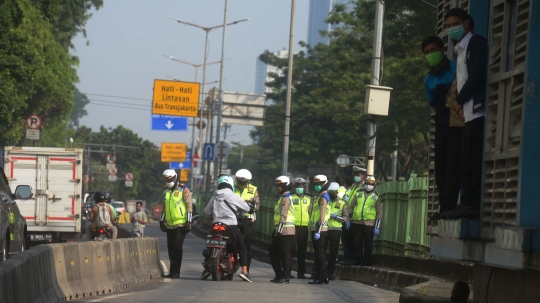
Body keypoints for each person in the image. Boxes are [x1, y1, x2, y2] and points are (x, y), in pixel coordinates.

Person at [444, 8, 487, 220]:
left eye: (454, 24)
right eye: (448, 26)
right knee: (466, 160)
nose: (451, 29)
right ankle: (467, 202)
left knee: (473, 160)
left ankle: (473, 203)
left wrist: (460, 101)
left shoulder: (475, 43)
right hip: (467, 113)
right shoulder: (459, 50)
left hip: (477, 111)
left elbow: (477, 75)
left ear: (467, 24)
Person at [422, 35, 463, 220]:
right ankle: (444, 207)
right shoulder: (428, 80)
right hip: (441, 123)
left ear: (443, 50)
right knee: (440, 167)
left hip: (458, 122)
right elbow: (435, 103)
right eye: (427, 53)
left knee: (455, 163)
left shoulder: (456, 67)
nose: (431, 55)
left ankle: (451, 206)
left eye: (433, 50)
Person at [202, 174, 252, 282]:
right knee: (242, 247)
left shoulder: (214, 196)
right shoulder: (232, 196)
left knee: (210, 245)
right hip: (231, 226)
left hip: (216, 225)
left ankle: (207, 268)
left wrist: (213, 216)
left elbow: (207, 212)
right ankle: (245, 272)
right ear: (230, 184)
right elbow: (246, 208)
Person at [162, 169, 193, 278]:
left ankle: (176, 271)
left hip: (181, 223)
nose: (168, 180)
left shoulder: (183, 189)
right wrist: (162, 220)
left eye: (169, 178)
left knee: (177, 247)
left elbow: (189, 206)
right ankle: (172, 271)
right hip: (170, 224)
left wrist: (189, 222)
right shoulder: (165, 191)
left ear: (174, 177)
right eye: (166, 178)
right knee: (170, 248)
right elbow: (164, 207)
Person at [348, 176, 382, 266]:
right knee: (357, 242)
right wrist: (348, 218)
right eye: (367, 183)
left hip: (369, 223)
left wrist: (377, 226)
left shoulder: (377, 196)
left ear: (374, 185)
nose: (368, 185)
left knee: (368, 243)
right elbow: (351, 207)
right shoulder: (358, 193)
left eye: (371, 184)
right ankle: (357, 260)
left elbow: (379, 212)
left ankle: (367, 260)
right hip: (356, 222)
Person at [269, 176, 295, 284]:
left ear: (285, 186)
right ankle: (279, 275)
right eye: (277, 185)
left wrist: (279, 230)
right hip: (280, 229)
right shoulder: (282, 197)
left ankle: (285, 276)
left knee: (285, 253)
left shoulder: (285, 198)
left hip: (285, 230)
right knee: (273, 252)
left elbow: (283, 215)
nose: (278, 187)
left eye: (280, 186)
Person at [233, 169, 260, 272]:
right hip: (233, 217)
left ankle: (246, 270)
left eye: (243, 182)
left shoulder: (253, 189)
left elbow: (257, 206)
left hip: (246, 219)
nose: (241, 184)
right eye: (239, 181)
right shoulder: (232, 187)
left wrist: (250, 203)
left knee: (247, 244)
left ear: (248, 181)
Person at [308, 175, 330, 285]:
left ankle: (321, 277)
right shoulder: (321, 196)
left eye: (318, 184)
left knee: (320, 255)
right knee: (319, 254)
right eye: (315, 184)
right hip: (318, 229)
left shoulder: (323, 198)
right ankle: (323, 276)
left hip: (320, 230)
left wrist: (318, 230)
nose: (316, 186)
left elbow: (322, 216)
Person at [325, 182, 349, 281]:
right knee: (321, 252)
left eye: (334, 192)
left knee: (333, 253)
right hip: (325, 229)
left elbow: (345, 218)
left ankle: (329, 273)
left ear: (337, 192)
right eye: (330, 192)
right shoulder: (326, 201)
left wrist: (336, 217)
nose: (332, 193)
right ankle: (321, 272)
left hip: (336, 230)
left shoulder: (343, 203)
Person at [290, 177, 311, 279]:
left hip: (304, 227)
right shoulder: (291, 198)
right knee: (290, 250)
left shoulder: (309, 199)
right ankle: (287, 271)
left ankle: (301, 272)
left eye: (302, 186)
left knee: (302, 251)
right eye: (298, 186)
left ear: (305, 187)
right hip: (293, 226)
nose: (300, 187)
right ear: (294, 187)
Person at [338, 176, 355, 265]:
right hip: (355, 219)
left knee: (345, 240)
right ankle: (352, 258)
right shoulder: (355, 192)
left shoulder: (347, 194)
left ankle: (347, 258)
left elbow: (345, 207)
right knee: (352, 240)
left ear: (345, 184)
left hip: (347, 219)